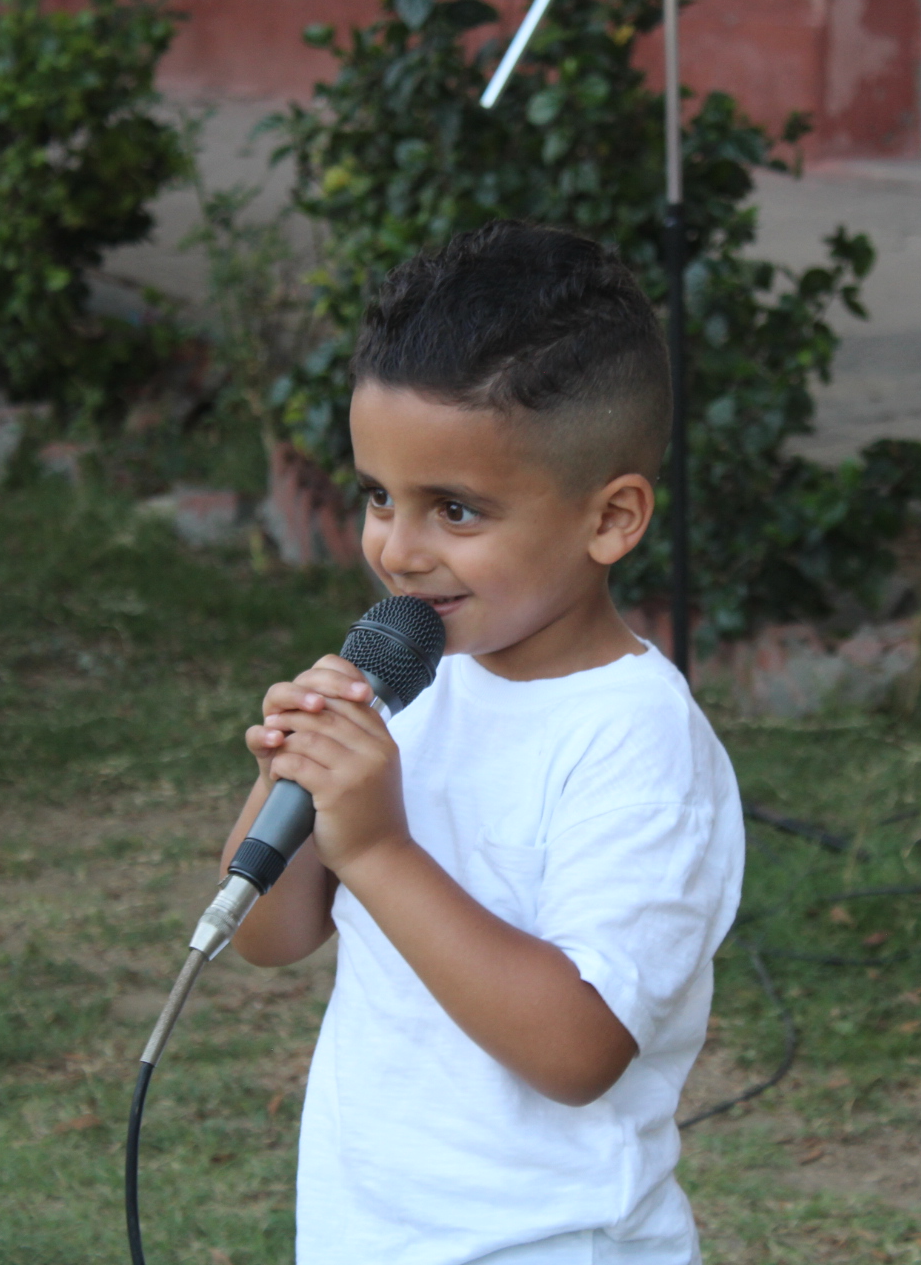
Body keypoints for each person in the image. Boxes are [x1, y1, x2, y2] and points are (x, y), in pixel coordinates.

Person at [220, 221, 744, 1264]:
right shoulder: (414, 680)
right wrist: (296, 777)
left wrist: (379, 849)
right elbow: (267, 935)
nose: (398, 549)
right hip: (369, 1234)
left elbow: (577, 1050)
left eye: (454, 510)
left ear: (612, 518)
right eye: (378, 496)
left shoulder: (636, 744)